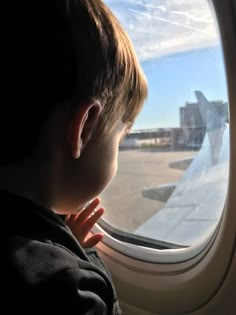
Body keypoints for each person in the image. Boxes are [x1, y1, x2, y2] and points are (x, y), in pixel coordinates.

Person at [0, 0, 147, 313]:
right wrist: (78, 260)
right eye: (119, 138)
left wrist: (60, 243)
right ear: (83, 130)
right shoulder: (68, 290)